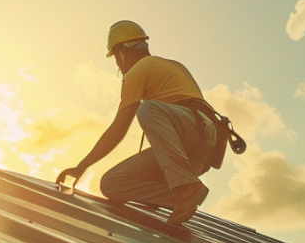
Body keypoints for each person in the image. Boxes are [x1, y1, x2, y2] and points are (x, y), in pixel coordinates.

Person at [55, 21, 217, 225]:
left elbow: (118, 129)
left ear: (122, 52)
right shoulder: (169, 65)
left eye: (115, 57)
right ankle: (183, 196)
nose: (117, 64)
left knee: (148, 109)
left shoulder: (140, 69)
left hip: (193, 129)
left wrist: (82, 166)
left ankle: (185, 188)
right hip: (197, 145)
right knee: (112, 183)